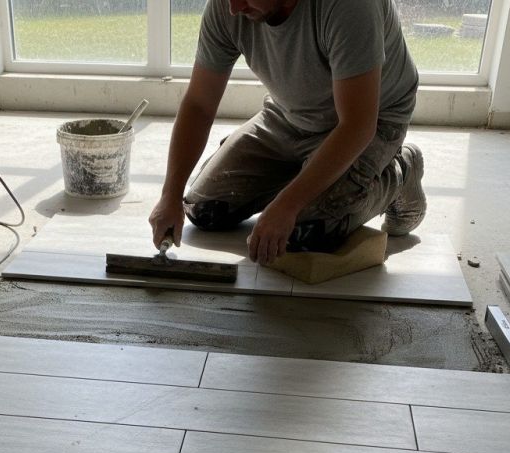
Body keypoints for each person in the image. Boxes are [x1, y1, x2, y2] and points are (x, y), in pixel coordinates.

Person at [149, 0, 426, 266]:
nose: (234, 7)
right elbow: (199, 104)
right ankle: (308, 173)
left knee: (307, 231)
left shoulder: (349, 6)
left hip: (372, 120)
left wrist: (287, 206)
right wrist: (170, 195)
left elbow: (357, 125)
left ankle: (403, 171)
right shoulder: (228, 5)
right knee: (205, 211)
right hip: (288, 116)